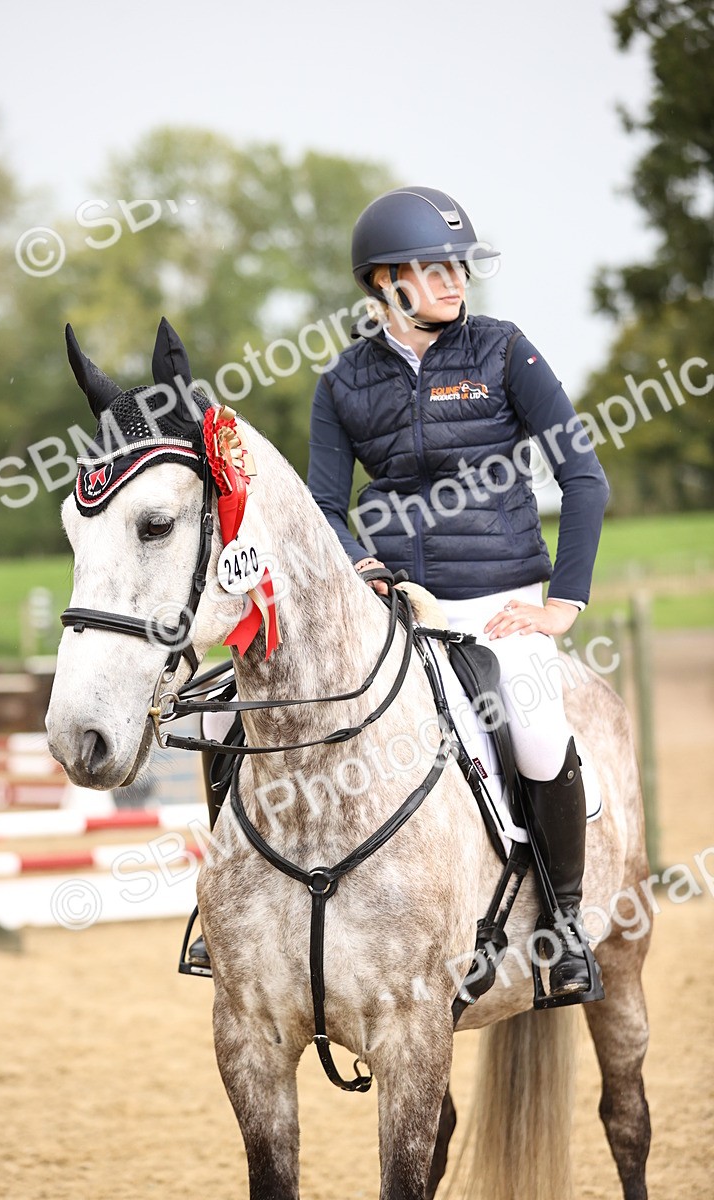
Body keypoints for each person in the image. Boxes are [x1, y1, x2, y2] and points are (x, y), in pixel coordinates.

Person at [306, 185, 610, 1003]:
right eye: (433, 268)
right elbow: (323, 509)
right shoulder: (342, 383)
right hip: (400, 606)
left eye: (458, 267)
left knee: (539, 732)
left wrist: (562, 604)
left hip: (500, 602)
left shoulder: (504, 351)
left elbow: (583, 477)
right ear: (384, 282)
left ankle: (565, 927)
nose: (454, 281)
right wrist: (361, 567)